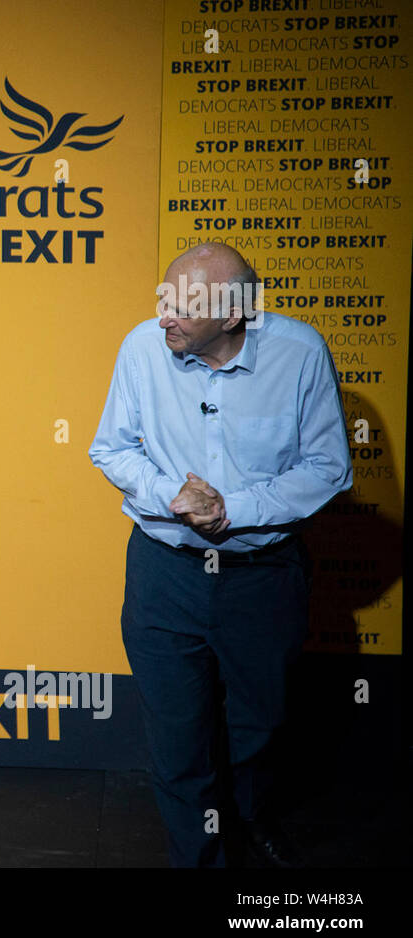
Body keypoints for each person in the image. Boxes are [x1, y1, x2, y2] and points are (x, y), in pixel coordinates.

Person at [88, 242, 351, 867]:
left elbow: (327, 467)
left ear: (233, 316)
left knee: (261, 723)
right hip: (165, 572)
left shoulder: (300, 353)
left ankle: (251, 819)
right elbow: (112, 449)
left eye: (183, 305)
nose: (164, 316)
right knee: (177, 735)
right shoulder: (141, 348)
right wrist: (172, 497)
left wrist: (231, 509)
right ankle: (199, 857)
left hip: (262, 576)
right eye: (164, 297)